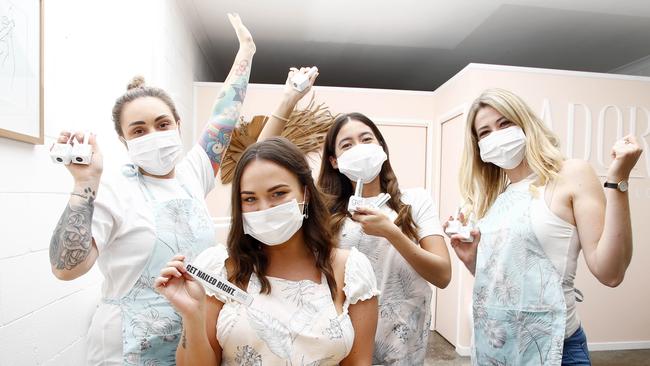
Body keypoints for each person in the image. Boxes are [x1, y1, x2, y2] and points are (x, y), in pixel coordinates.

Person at [48, 13, 256, 366]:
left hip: (195, 340)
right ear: (123, 139)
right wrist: (84, 185)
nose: (154, 135)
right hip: (127, 345)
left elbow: (225, 115)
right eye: (139, 130)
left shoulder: (193, 172)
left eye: (162, 124)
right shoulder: (113, 190)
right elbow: (65, 268)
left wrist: (246, 53)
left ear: (178, 125)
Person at [447, 88, 643, 365]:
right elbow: (508, 279)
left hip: (555, 349)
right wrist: (473, 260)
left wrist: (618, 179)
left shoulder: (569, 174)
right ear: (478, 146)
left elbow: (610, 272)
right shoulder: (495, 198)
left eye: (504, 123)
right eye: (485, 132)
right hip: (495, 350)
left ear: (526, 124)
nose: (497, 135)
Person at [155, 137, 380, 365]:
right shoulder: (219, 268)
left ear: (306, 193)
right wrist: (192, 317)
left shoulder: (350, 270)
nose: (264, 208)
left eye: (278, 193)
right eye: (250, 198)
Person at [317, 113, 452, 365]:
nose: (359, 148)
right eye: (347, 144)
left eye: (366, 139)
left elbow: (442, 275)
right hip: (346, 343)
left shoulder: (416, 201)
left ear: (381, 147)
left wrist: (391, 232)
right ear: (334, 161)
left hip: (404, 342)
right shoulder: (324, 213)